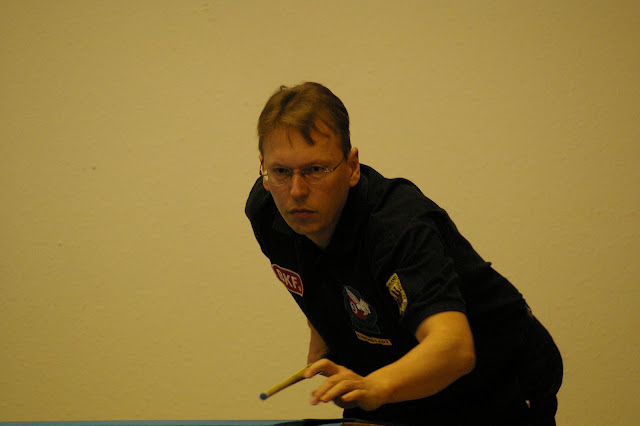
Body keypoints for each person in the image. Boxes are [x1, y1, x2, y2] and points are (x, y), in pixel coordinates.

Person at [245, 82, 563, 425]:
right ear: (264, 168)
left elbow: (454, 348)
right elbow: (313, 273)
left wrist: (374, 386)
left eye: (316, 170)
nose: (296, 191)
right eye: (281, 171)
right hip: (389, 376)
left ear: (352, 167)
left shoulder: (397, 225)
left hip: (493, 382)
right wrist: (322, 335)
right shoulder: (267, 210)